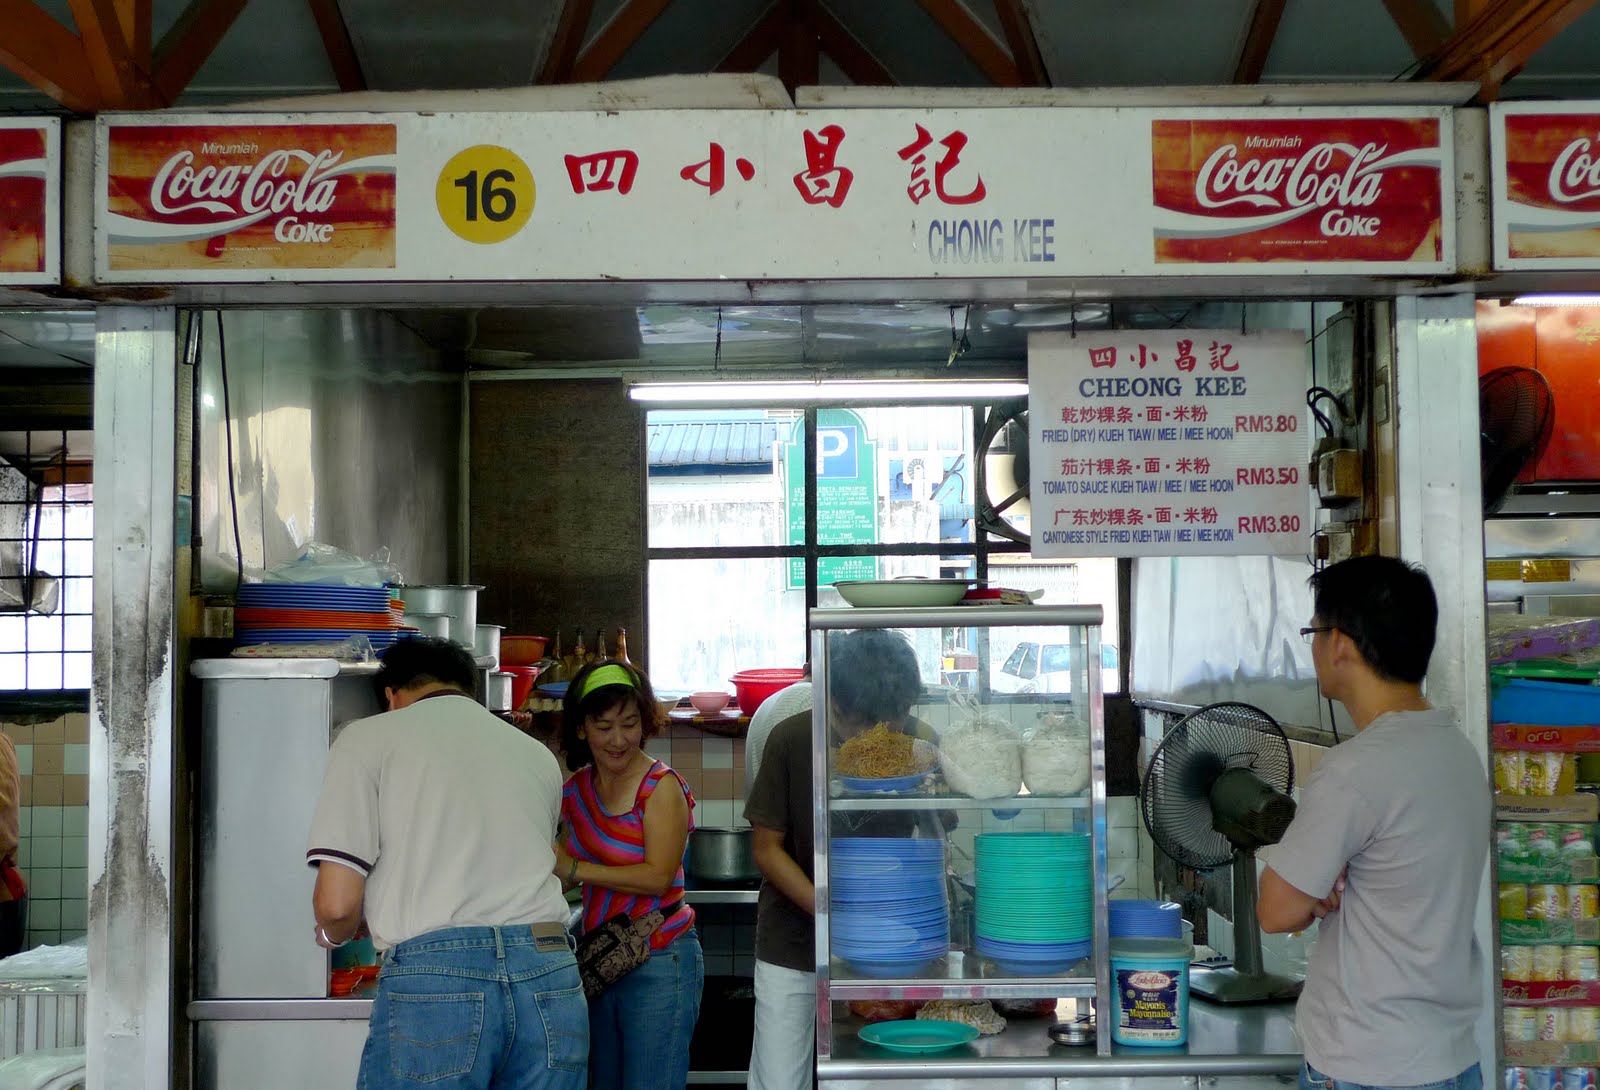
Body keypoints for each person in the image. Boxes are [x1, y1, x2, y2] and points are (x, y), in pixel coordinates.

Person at [306, 637, 585, 1090]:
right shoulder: (536, 755)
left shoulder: (366, 738)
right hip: (550, 973)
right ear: (469, 692)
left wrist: (332, 933)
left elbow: (337, 905)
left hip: (438, 980)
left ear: (391, 695)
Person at [1257, 556, 1488, 1090]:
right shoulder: (1457, 752)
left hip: (1368, 1063)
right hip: (1451, 1059)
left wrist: (1315, 893)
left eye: (1314, 631)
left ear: (1341, 643)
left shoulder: (1356, 770)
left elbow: (1276, 910)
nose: (1312, 647)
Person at [741, 629, 932, 1090]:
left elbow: (941, 830)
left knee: (870, 1077)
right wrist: (832, 912)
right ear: (832, 702)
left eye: (892, 720)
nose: (877, 738)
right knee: (781, 1079)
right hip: (795, 945)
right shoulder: (790, 739)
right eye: (860, 725)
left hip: (889, 946)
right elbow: (767, 848)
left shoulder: (920, 741)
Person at [556, 660, 703, 1090]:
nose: (618, 740)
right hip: (600, 958)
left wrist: (577, 870)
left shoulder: (660, 788)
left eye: (629, 724)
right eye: (604, 727)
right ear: (582, 729)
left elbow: (659, 877)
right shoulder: (574, 791)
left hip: (659, 955)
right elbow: (558, 868)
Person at [743, 663, 812, 801]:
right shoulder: (812, 698)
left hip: (760, 812)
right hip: (781, 815)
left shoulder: (770, 700)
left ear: (804, 670)